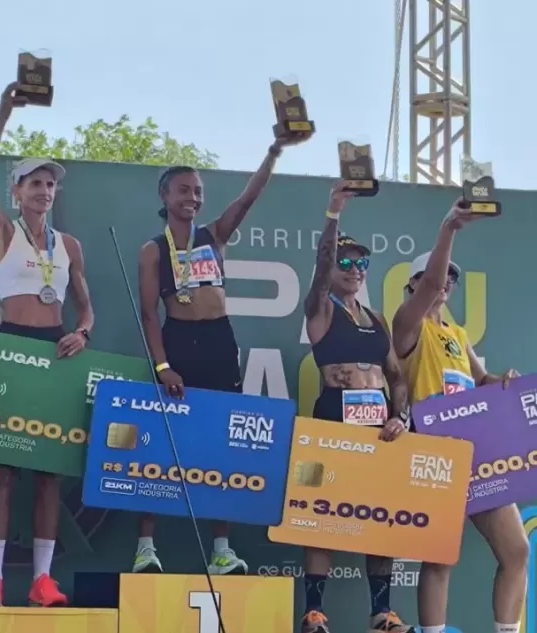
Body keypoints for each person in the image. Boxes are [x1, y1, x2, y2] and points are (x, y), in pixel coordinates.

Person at [136, 128, 309, 575]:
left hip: (219, 341)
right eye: (184, 190)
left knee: (220, 444)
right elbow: (149, 316)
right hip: (178, 342)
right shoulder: (153, 251)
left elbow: (247, 199)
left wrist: (273, 151)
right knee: (164, 442)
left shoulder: (215, 235)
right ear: (165, 195)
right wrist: (162, 366)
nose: (192, 197)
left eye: (198, 191)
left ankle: (221, 549)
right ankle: (145, 546)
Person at [0, 82, 94, 608]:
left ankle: (43, 580)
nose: (44, 190)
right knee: (1, 471)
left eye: (50, 184)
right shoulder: (3, 229)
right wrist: (4, 111)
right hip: (9, 345)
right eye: (34, 182)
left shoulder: (69, 245)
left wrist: (82, 331)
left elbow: (86, 307)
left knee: (50, 473)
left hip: (54, 350)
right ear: (17, 191)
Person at [391, 199, 528, 633]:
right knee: (439, 560)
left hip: (478, 454)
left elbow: (480, 377)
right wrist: (448, 228)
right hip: (434, 454)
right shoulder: (407, 324)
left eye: (452, 277)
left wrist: (501, 381)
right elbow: (431, 286)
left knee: (517, 550)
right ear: (413, 284)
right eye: (435, 276)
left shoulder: (456, 332)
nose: (444, 282)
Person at [301, 180, 413, 633]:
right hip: (332, 422)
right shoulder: (320, 308)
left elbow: (397, 376)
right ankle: (314, 613)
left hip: (378, 430)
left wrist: (399, 415)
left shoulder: (377, 319)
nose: (354, 268)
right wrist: (333, 213)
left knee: (381, 518)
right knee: (321, 518)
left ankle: (382, 613)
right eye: (346, 261)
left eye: (361, 262)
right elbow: (323, 261)